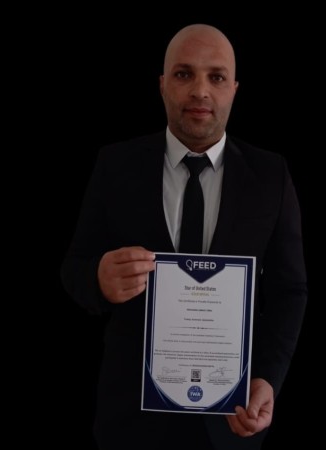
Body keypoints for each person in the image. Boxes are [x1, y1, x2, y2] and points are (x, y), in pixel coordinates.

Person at [61, 23, 307, 450]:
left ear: (234, 89)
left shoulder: (270, 176)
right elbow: (74, 268)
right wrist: (98, 279)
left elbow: (290, 291)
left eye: (216, 77)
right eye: (183, 74)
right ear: (162, 84)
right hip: (131, 422)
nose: (200, 91)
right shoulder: (115, 165)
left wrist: (268, 378)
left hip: (231, 417)